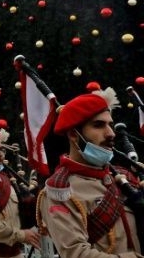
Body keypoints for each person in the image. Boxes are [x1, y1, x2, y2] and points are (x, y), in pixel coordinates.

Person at [38, 88, 142, 257]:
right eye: (98, 125)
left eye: (110, 124)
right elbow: (75, 253)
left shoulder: (123, 177)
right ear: (73, 134)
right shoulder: (59, 190)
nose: (111, 133)